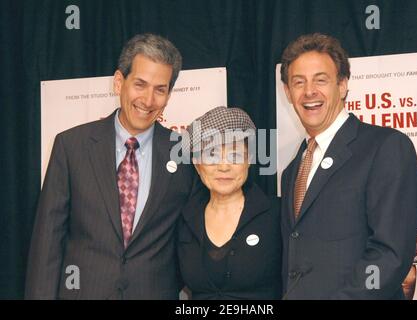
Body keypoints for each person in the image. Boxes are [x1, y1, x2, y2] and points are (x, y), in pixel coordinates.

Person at [25, 33, 197, 299]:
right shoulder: (71, 146)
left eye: (160, 89)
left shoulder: (184, 152)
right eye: (140, 84)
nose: (148, 100)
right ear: (119, 82)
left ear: (169, 94)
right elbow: (47, 244)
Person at [280, 33, 417, 299]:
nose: (309, 91)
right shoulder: (291, 171)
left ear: (343, 85)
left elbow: (390, 256)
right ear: (288, 92)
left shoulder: (386, 147)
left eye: (321, 80)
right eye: (299, 82)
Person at [177, 106, 282, 299]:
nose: (223, 166)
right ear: (197, 164)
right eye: (212, 155)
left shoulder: (277, 215)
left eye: (235, 155)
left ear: (249, 159)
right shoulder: (184, 219)